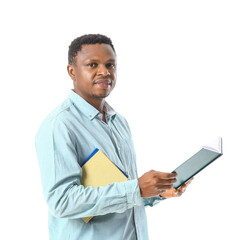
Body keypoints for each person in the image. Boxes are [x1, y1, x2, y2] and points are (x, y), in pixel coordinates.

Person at [35, 34, 192, 240]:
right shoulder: (59, 125)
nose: (105, 72)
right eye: (93, 64)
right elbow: (61, 201)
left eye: (111, 64)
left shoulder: (119, 122)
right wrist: (136, 188)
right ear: (72, 71)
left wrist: (156, 193)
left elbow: (119, 192)